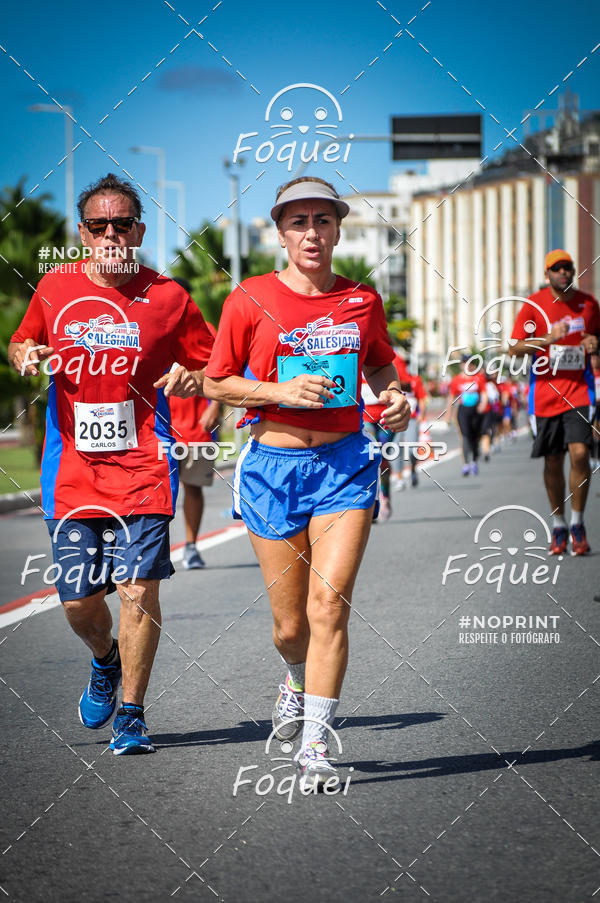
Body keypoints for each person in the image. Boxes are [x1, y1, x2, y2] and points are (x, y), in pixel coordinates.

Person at [203, 176, 410, 789]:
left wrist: (395, 396)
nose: (312, 232)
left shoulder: (362, 301)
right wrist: (279, 391)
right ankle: (295, 677)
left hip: (345, 465)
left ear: (339, 229)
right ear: (281, 233)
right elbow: (216, 381)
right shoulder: (249, 298)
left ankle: (316, 744)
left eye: (323, 220)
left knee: (330, 604)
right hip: (271, 469)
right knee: (291, 626)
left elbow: (380, 363)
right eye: (299, 222)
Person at [8, 173, 214, 754]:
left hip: (145, 467)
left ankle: (132, 713)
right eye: (99, 226)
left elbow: (213, 363)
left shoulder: (168, 297)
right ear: (83, 233)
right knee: (78, 601)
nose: (111, 236)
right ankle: (105, 657)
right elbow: (21, 340)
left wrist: (194, 376)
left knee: (137, 593)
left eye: (122, 224)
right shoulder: (55, 287)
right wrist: (26, 354)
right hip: (72, 472)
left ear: (139, 231)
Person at [509, 249, 599, 555]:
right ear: (546, 274)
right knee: (552, 460)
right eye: (557, 268)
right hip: (545, 394)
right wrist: (547, 339)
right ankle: (558, 525)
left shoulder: (589, 304)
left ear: (573, 271)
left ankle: (577, 523)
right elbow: (514, 348)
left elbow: (597, 338)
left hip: (579, 391)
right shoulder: (533, 305)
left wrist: (595, 342)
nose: (563, 272)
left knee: (580, 453)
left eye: (567, 267)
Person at [168, 278, 221, 569]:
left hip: (197, 429)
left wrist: (215, 407)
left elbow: (223, 373)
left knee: (193, 488)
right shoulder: (150, 327)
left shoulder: (206, 330)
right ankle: (155, 549)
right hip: (158, 429)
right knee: (156, 492)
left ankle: (191, 547)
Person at [446, 357, 488, 476]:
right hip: (463, 411)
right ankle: (466, 464)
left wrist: (483, 404)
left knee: (475, 437)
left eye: (470, 364)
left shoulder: (478, 378)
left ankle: (474, 460)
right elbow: (451, 398)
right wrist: (448, 415)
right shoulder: (456, 380)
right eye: (465, 363)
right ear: (462, 365)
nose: (468, 366)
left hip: (476, 411)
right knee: (465, 436)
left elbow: (484, 393)